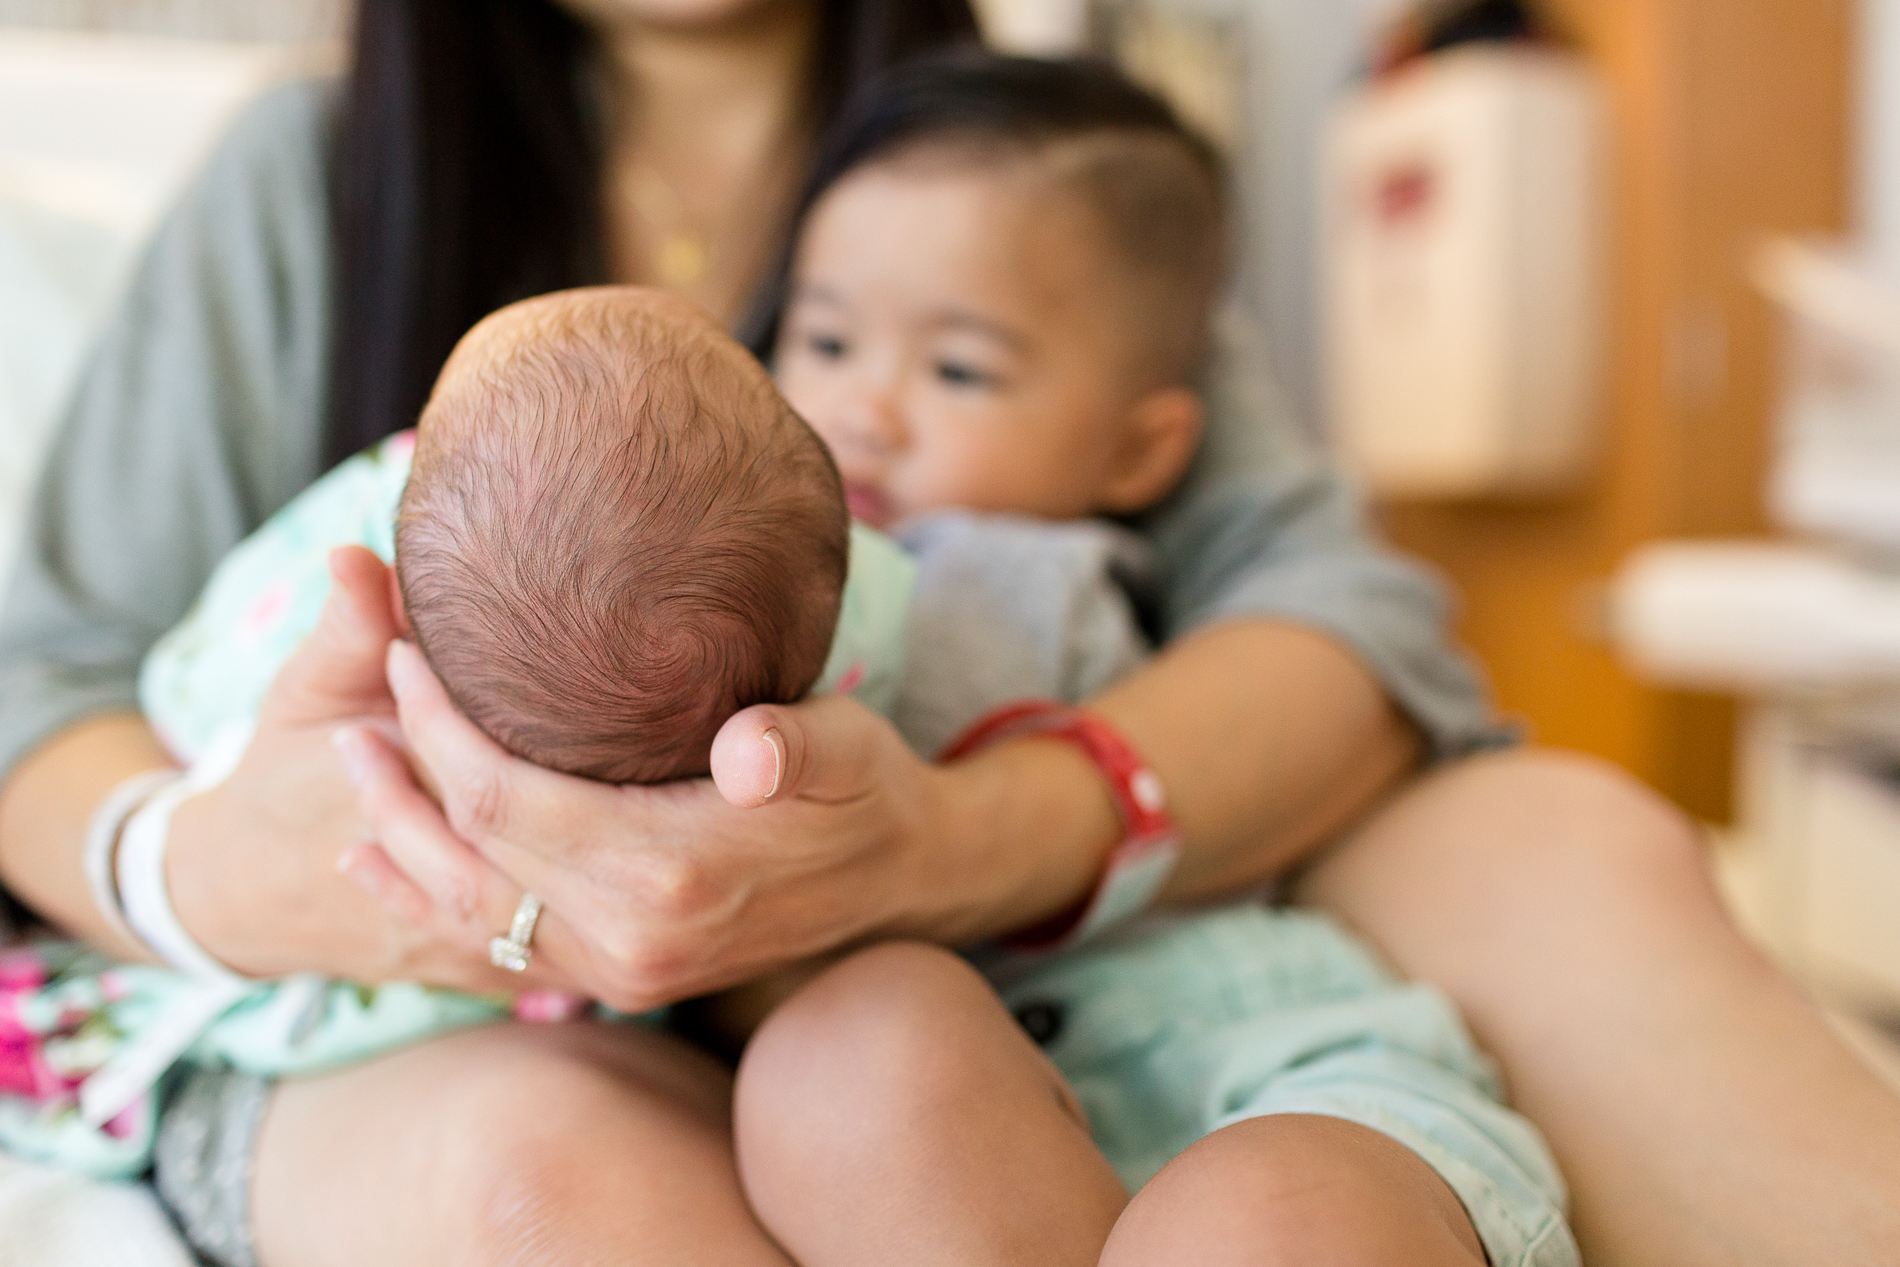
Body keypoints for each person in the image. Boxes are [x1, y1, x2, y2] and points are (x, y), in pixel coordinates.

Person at [0, 2, 1893, 1265]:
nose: (877, 402)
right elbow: (44, 676)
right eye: (831, 349)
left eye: (952, 362)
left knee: (1579, 843)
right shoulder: (307, 182)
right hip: (495, 1000)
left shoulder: (1023, 172)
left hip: (1014, 886)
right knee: (566, 1188)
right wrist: (205, 872)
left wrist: (975, 838)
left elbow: (1344, 617)